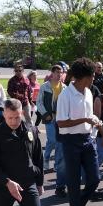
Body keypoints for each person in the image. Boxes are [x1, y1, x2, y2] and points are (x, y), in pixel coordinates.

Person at [55, 58, 103, 206]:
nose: (93, 79)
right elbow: (61, 123)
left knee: (95, 178)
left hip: (87, 139)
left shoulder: (89, 92)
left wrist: (94, 121)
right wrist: (84, 119)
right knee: (74, 183)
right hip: (71, 142)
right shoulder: (65, 96)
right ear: (82, 77)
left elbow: (89, 115)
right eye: (91, 76)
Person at [38, 65, 67, 195]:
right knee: (52, 140)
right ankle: (46, 158)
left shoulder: (65, 88)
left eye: (61, 72)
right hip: (49, 118)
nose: (59, 75)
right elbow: (39, 103)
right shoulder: (45, 86)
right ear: (52, 73)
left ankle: (56, 164)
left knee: (59, 143)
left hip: (61, 119)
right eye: (57, 72)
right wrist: (45, 114)